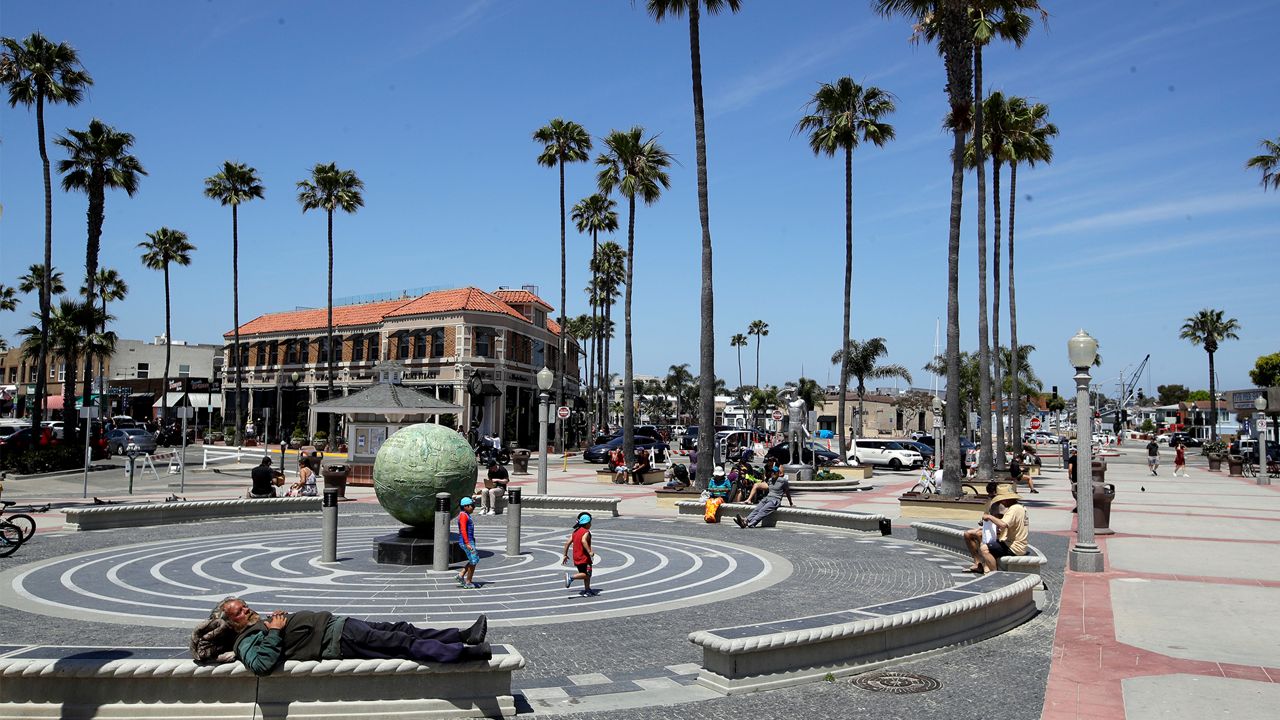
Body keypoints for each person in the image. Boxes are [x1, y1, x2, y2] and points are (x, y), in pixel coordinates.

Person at [196, 597, 491, 672]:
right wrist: (274, 631)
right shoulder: (245, 641)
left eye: (245, 605)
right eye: (239, 611)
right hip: (337, 638)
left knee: (402, 629)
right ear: (231, 624)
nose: (246, 610)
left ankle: (461, 635)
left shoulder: (253, 627)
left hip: (341, 625)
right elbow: (261, 665)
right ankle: (463, 654)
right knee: (400, 643)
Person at [963, 491, 1029, 573]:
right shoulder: (1020, 507)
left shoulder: (1014, 509)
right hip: (1015, 543)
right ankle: (979, 564)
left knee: (984, 548)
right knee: (970, 534)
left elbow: (1003, 524)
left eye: (1002, 500)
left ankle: (995, 573)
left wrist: (989, 517)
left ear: (1006, 500)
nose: (1002, 502)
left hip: (1015, 547)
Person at [562, 513, 598, 597]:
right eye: (590, 523)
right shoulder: (586, 532)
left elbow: (567, 543)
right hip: (584, 557)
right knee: (587, 574)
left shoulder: (575, 532)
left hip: (576, 557)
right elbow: (583, 541)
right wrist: (589, 552)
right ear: (587, 524)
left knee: (584, 573)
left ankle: (587, 590)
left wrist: (565, 555)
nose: (591, 525)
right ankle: (571, 577)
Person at [456, 497, 479, 589]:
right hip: (466, 542)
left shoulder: (466, 515)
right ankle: (468, 582)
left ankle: (461, 575)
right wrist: (467, 543)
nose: (473, 508)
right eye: (472, 506)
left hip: (469, 541)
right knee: (473, 561)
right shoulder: (463, 515)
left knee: (473, 560)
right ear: (466, 506)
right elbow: (463, 530)